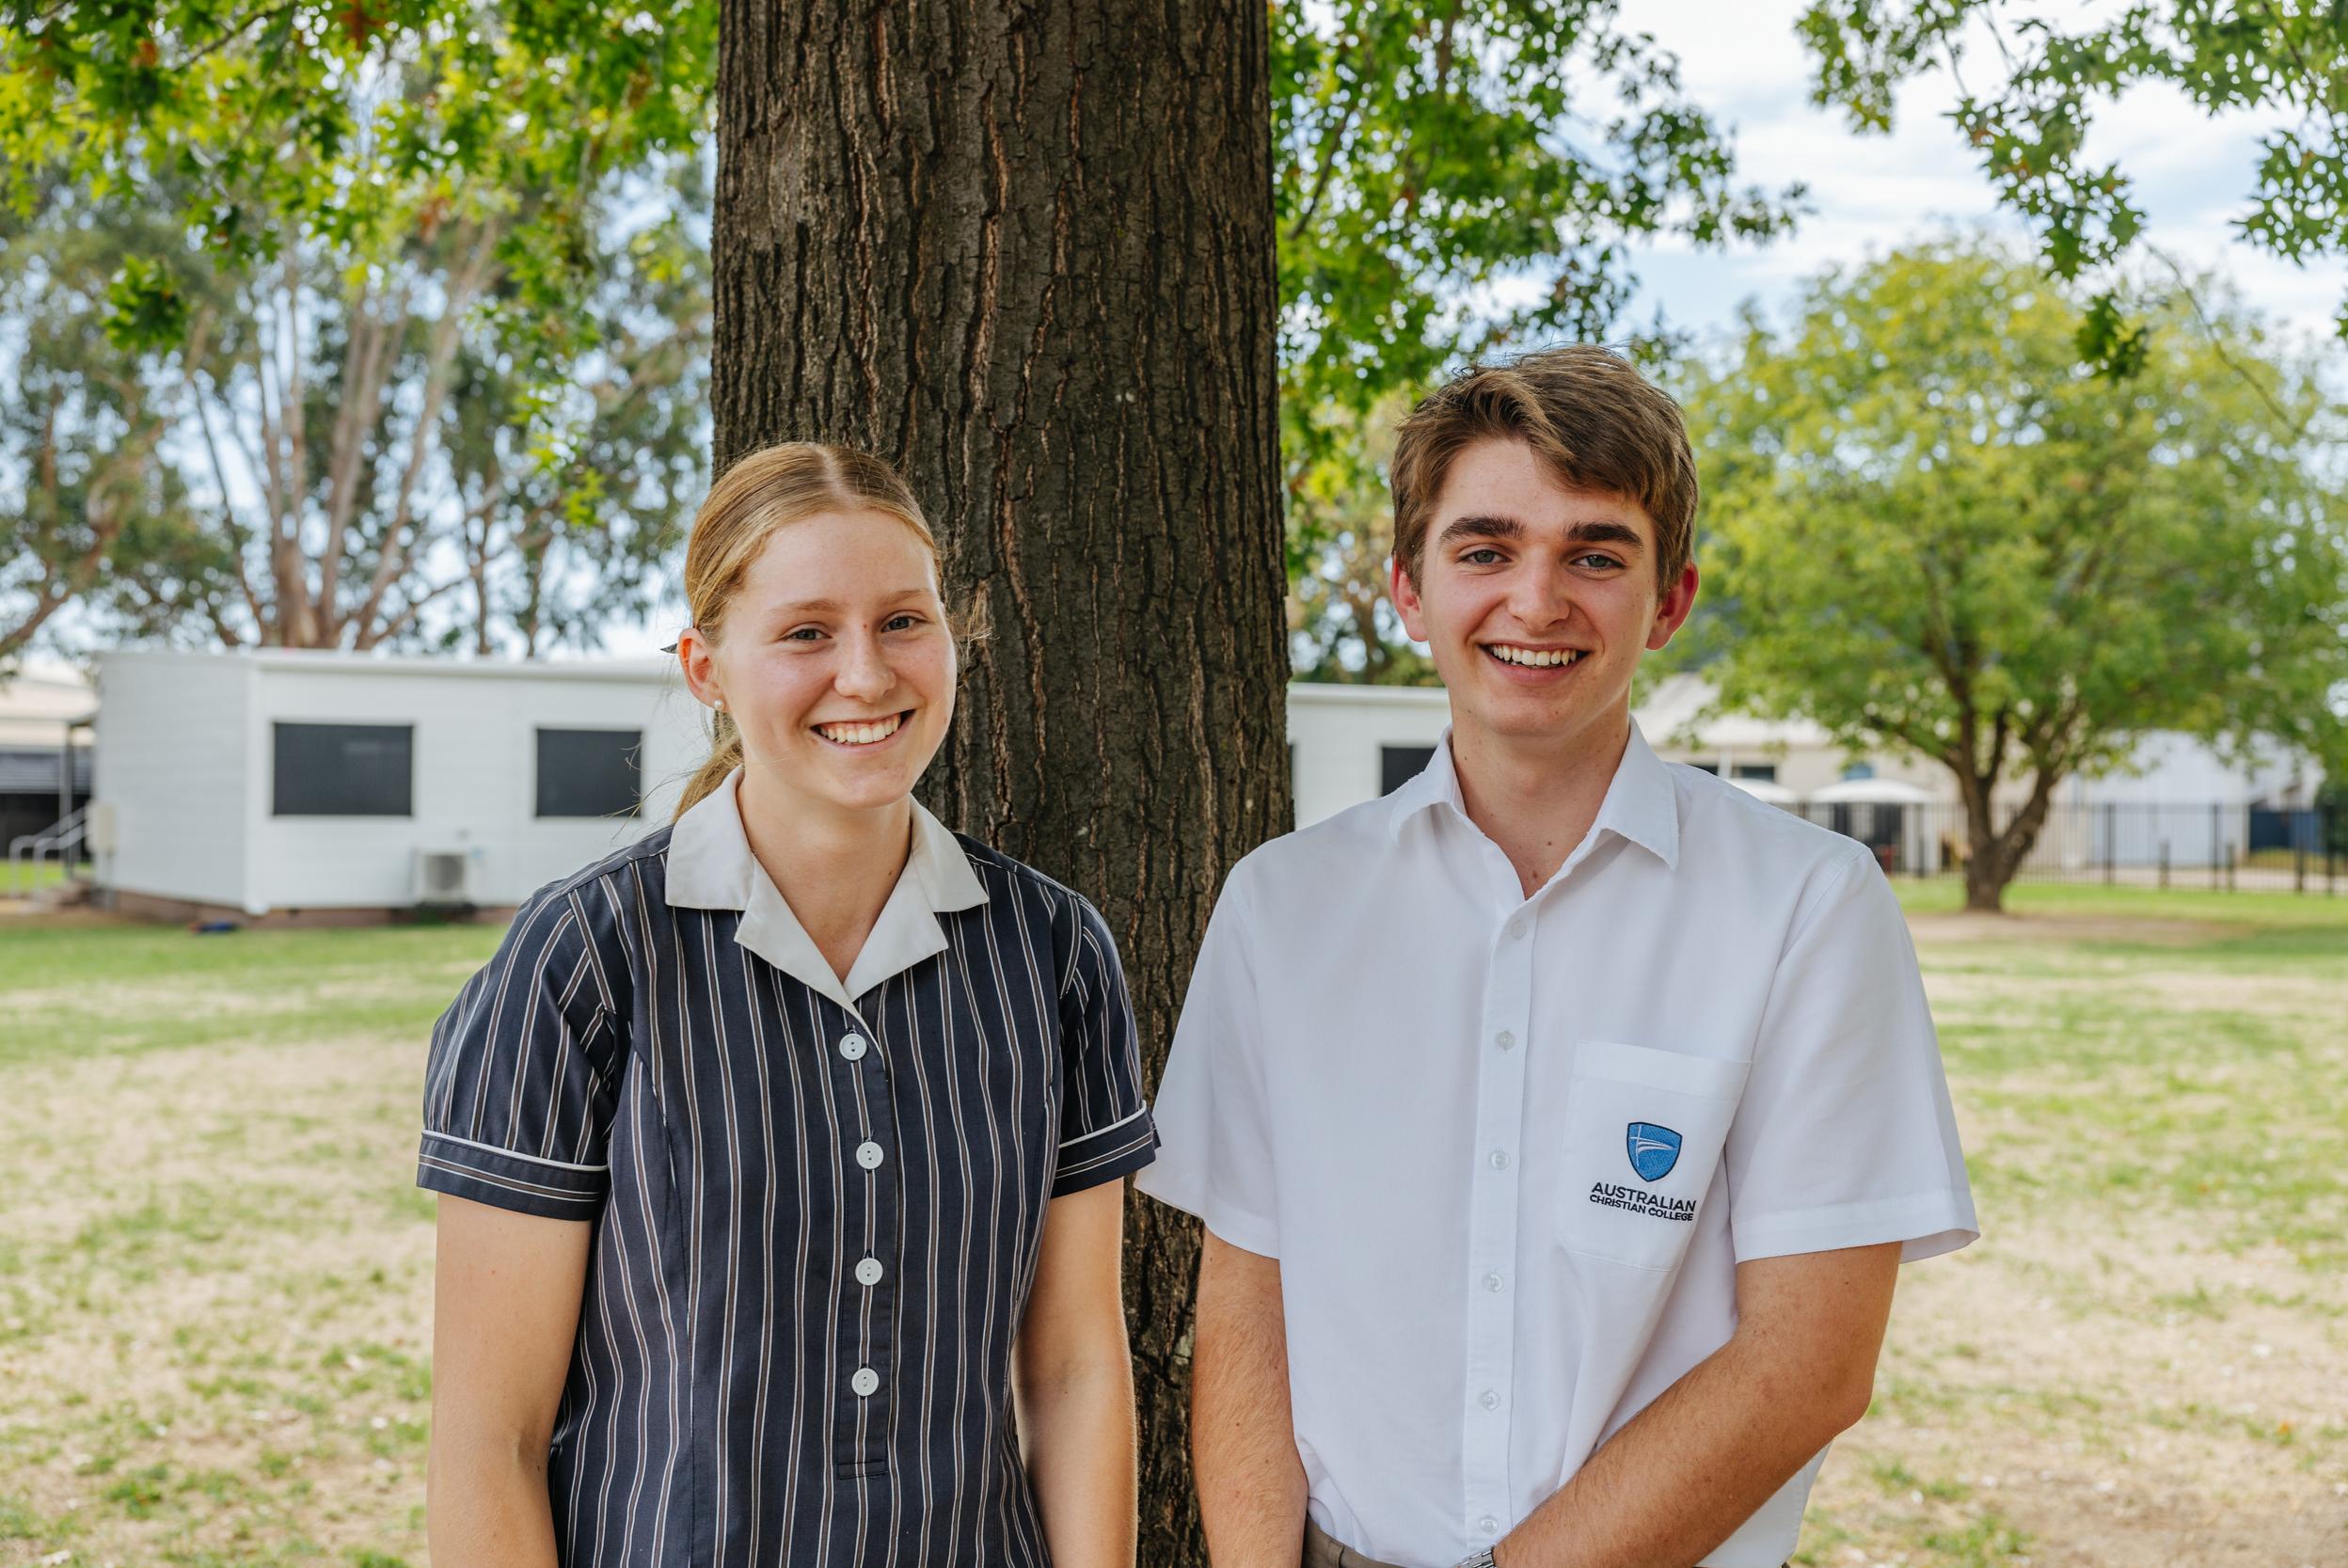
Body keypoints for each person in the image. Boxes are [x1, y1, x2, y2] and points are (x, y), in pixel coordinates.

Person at [1136, 346, 1977, 1568]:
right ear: (1409, 591)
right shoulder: (1282, 909)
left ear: (1669, 600)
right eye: (1485, 548)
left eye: (1595, 552)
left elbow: (1808, 1365)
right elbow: (1247, 1307)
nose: (1536, 600)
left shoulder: (1807, 904)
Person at [417, 442, 1158, 1568]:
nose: (864, 674)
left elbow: (1073, 1371)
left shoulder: (1052, 949)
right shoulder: (582, 957)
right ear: (705, 666)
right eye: (807, 631)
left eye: (903, 621)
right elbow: (488, 1439)